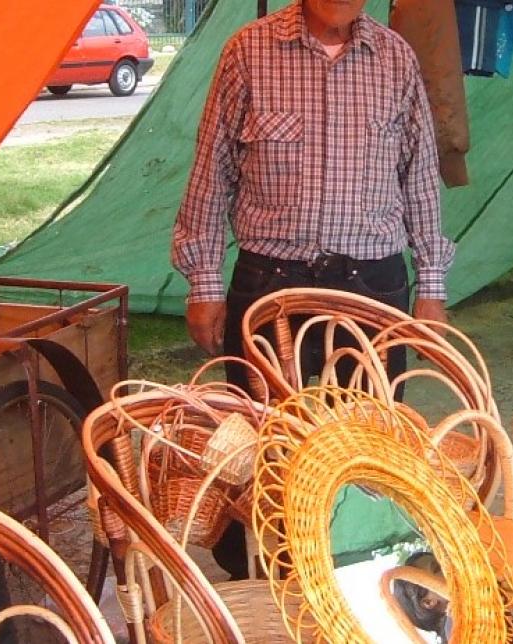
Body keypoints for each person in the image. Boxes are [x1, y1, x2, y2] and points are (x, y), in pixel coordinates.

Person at [170, 0, 455, 578]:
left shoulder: (396, 58)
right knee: (266, 446)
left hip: (372, 291)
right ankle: (269, 582)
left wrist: (432, 286)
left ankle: (359, 580)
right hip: (270, 284)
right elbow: (211, 173)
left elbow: (421, 177)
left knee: (371, 448)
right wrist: (203, 283)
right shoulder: (247, 51)